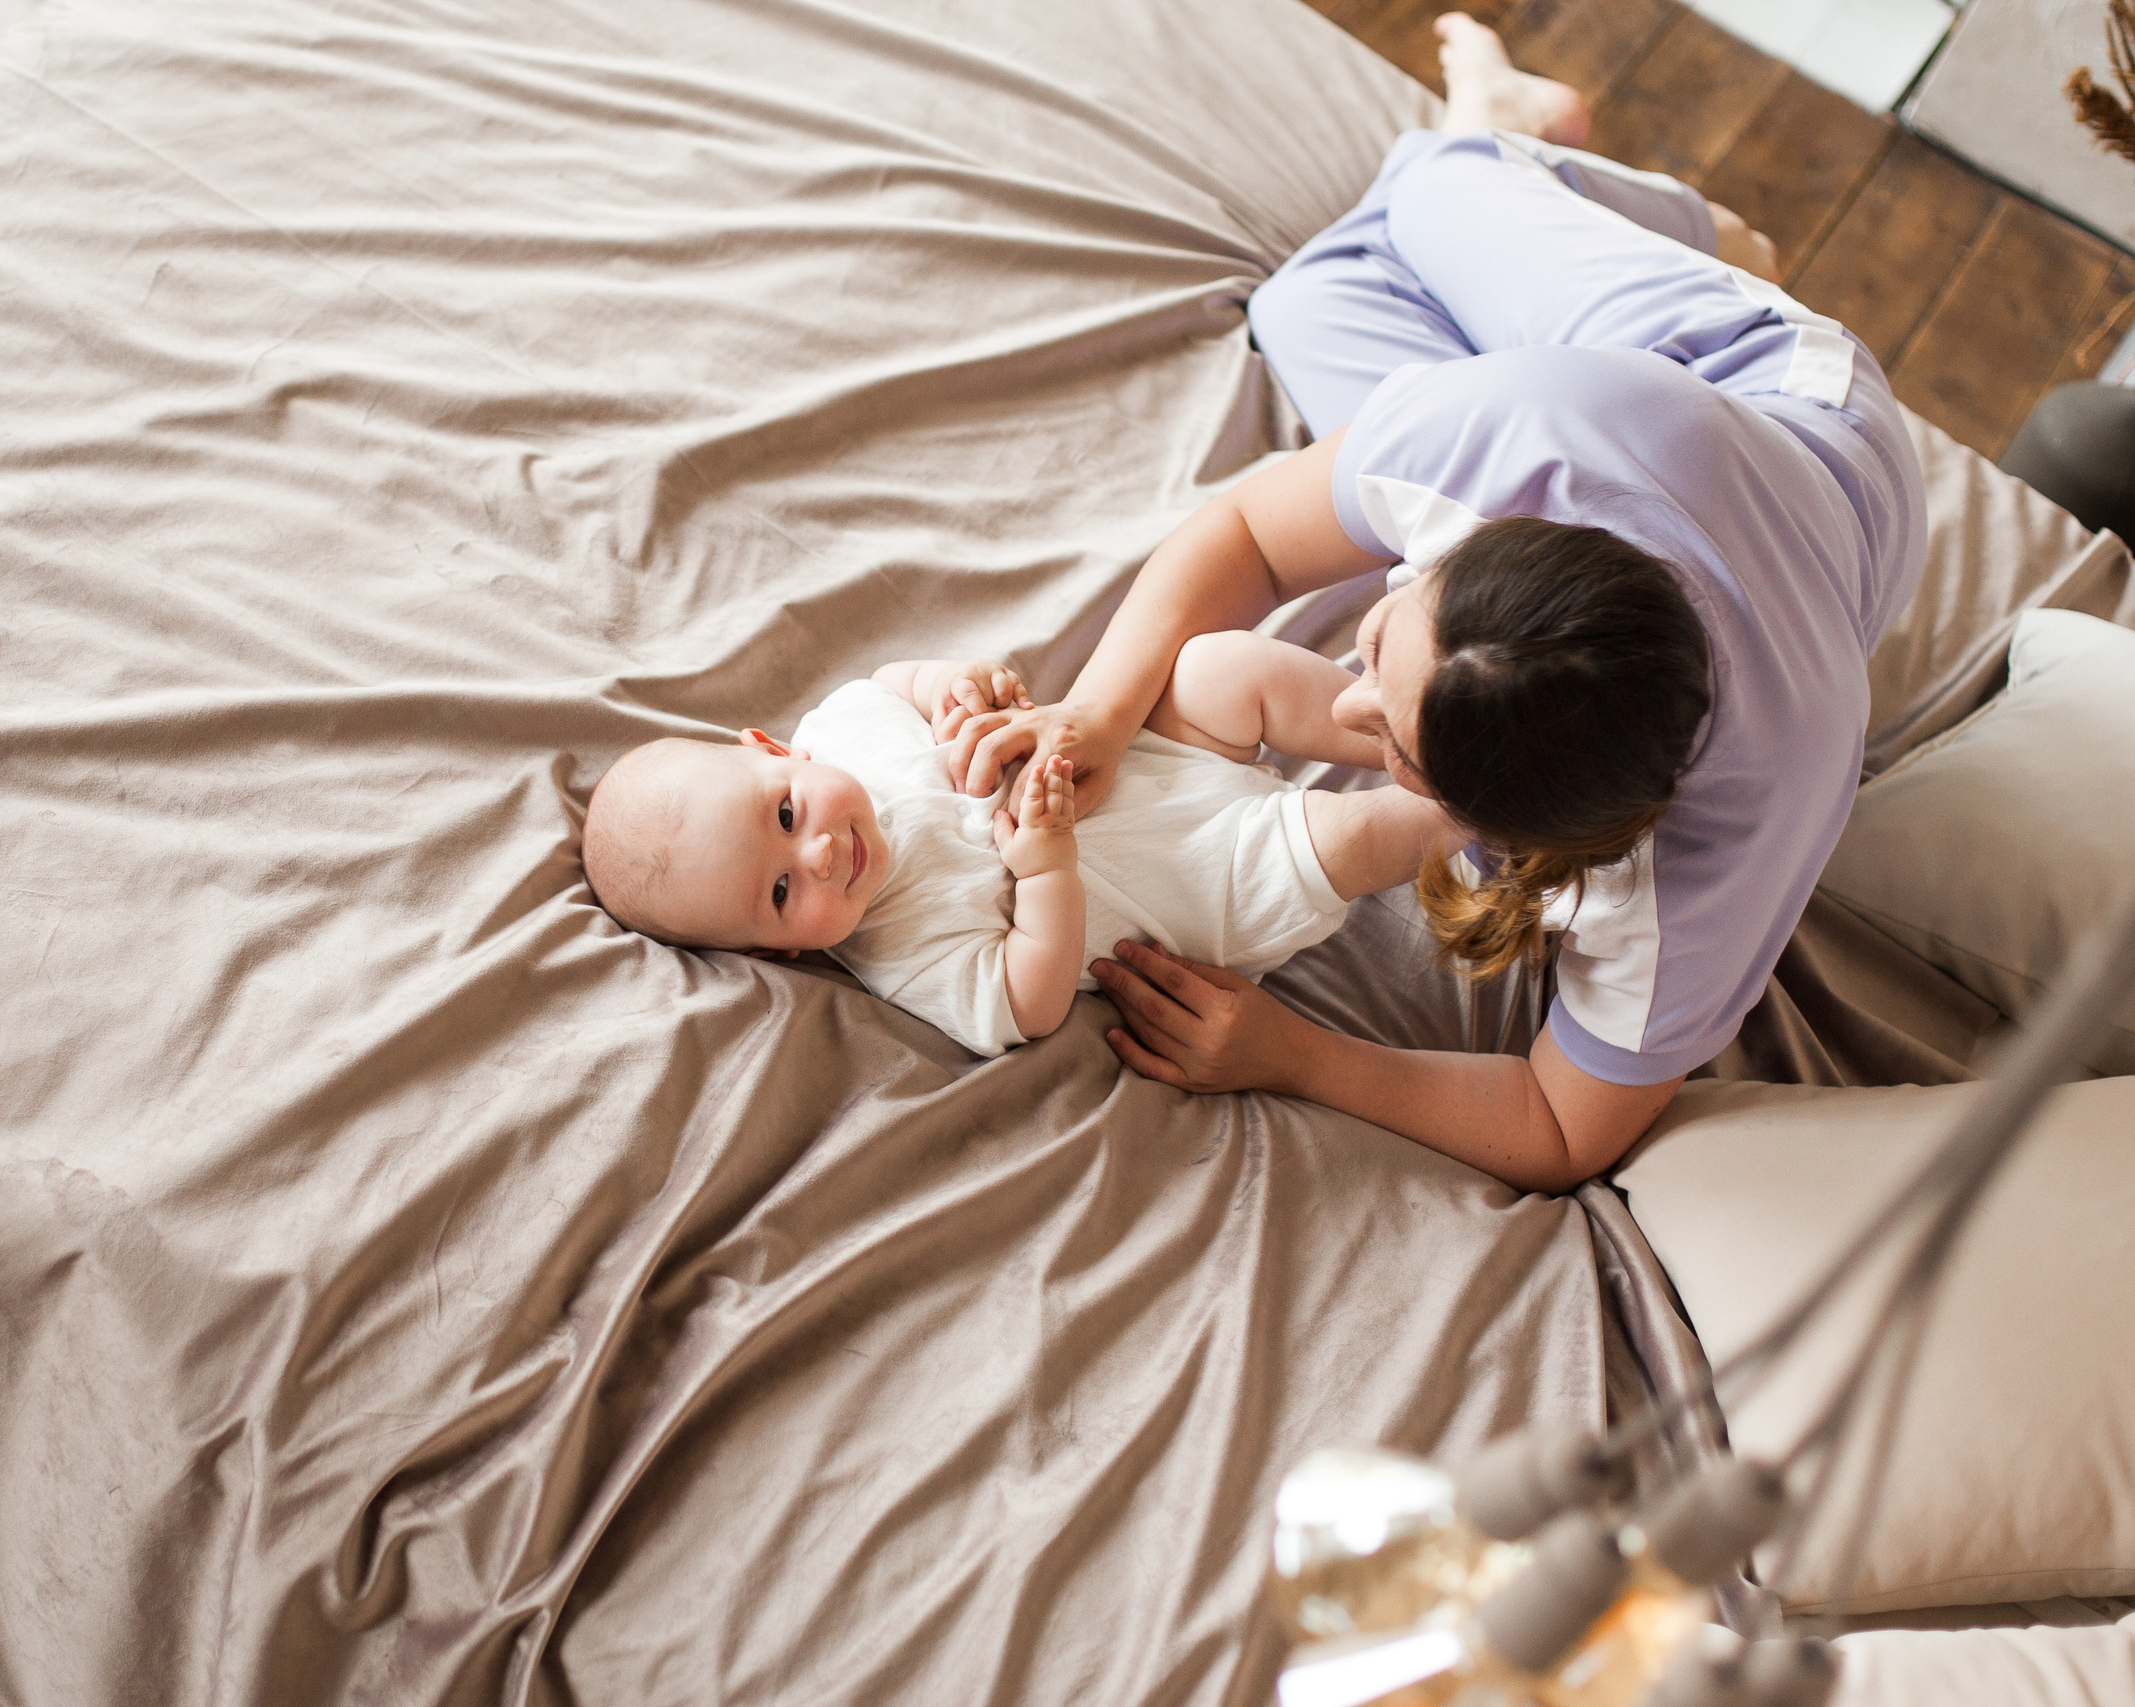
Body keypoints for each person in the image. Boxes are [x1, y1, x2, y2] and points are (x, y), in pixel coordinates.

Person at [942, 15, 1927, 1191]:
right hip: (1710, 390)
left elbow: (1562, 1128)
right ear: (1482, 534)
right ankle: (1660, 212)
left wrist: (1294, 1055)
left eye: (1395, 750)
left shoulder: (1719, 854)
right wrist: (1099, 711)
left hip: (1822, 499)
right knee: (1406, 202)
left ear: (1525, 834)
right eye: (1377, 641)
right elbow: (1248, 533)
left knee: (1331, 285)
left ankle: (1591, 185)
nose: (1348, 706)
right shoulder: (1515, 440)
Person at [581, 646, 1453, 1057]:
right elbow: (1027, 1000)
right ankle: (1474, 808)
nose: (814, 854)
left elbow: (900, 683)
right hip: (1207, 878)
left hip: (1150, 757)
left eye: (782, 813)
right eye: (777, 893)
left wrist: (958, 686)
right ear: (783, 950)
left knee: (1217, 670)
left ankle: (1413, 728)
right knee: (1354, 835)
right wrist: (1043, 870)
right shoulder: (898, 951)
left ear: (778, 752)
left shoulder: (845, 725)